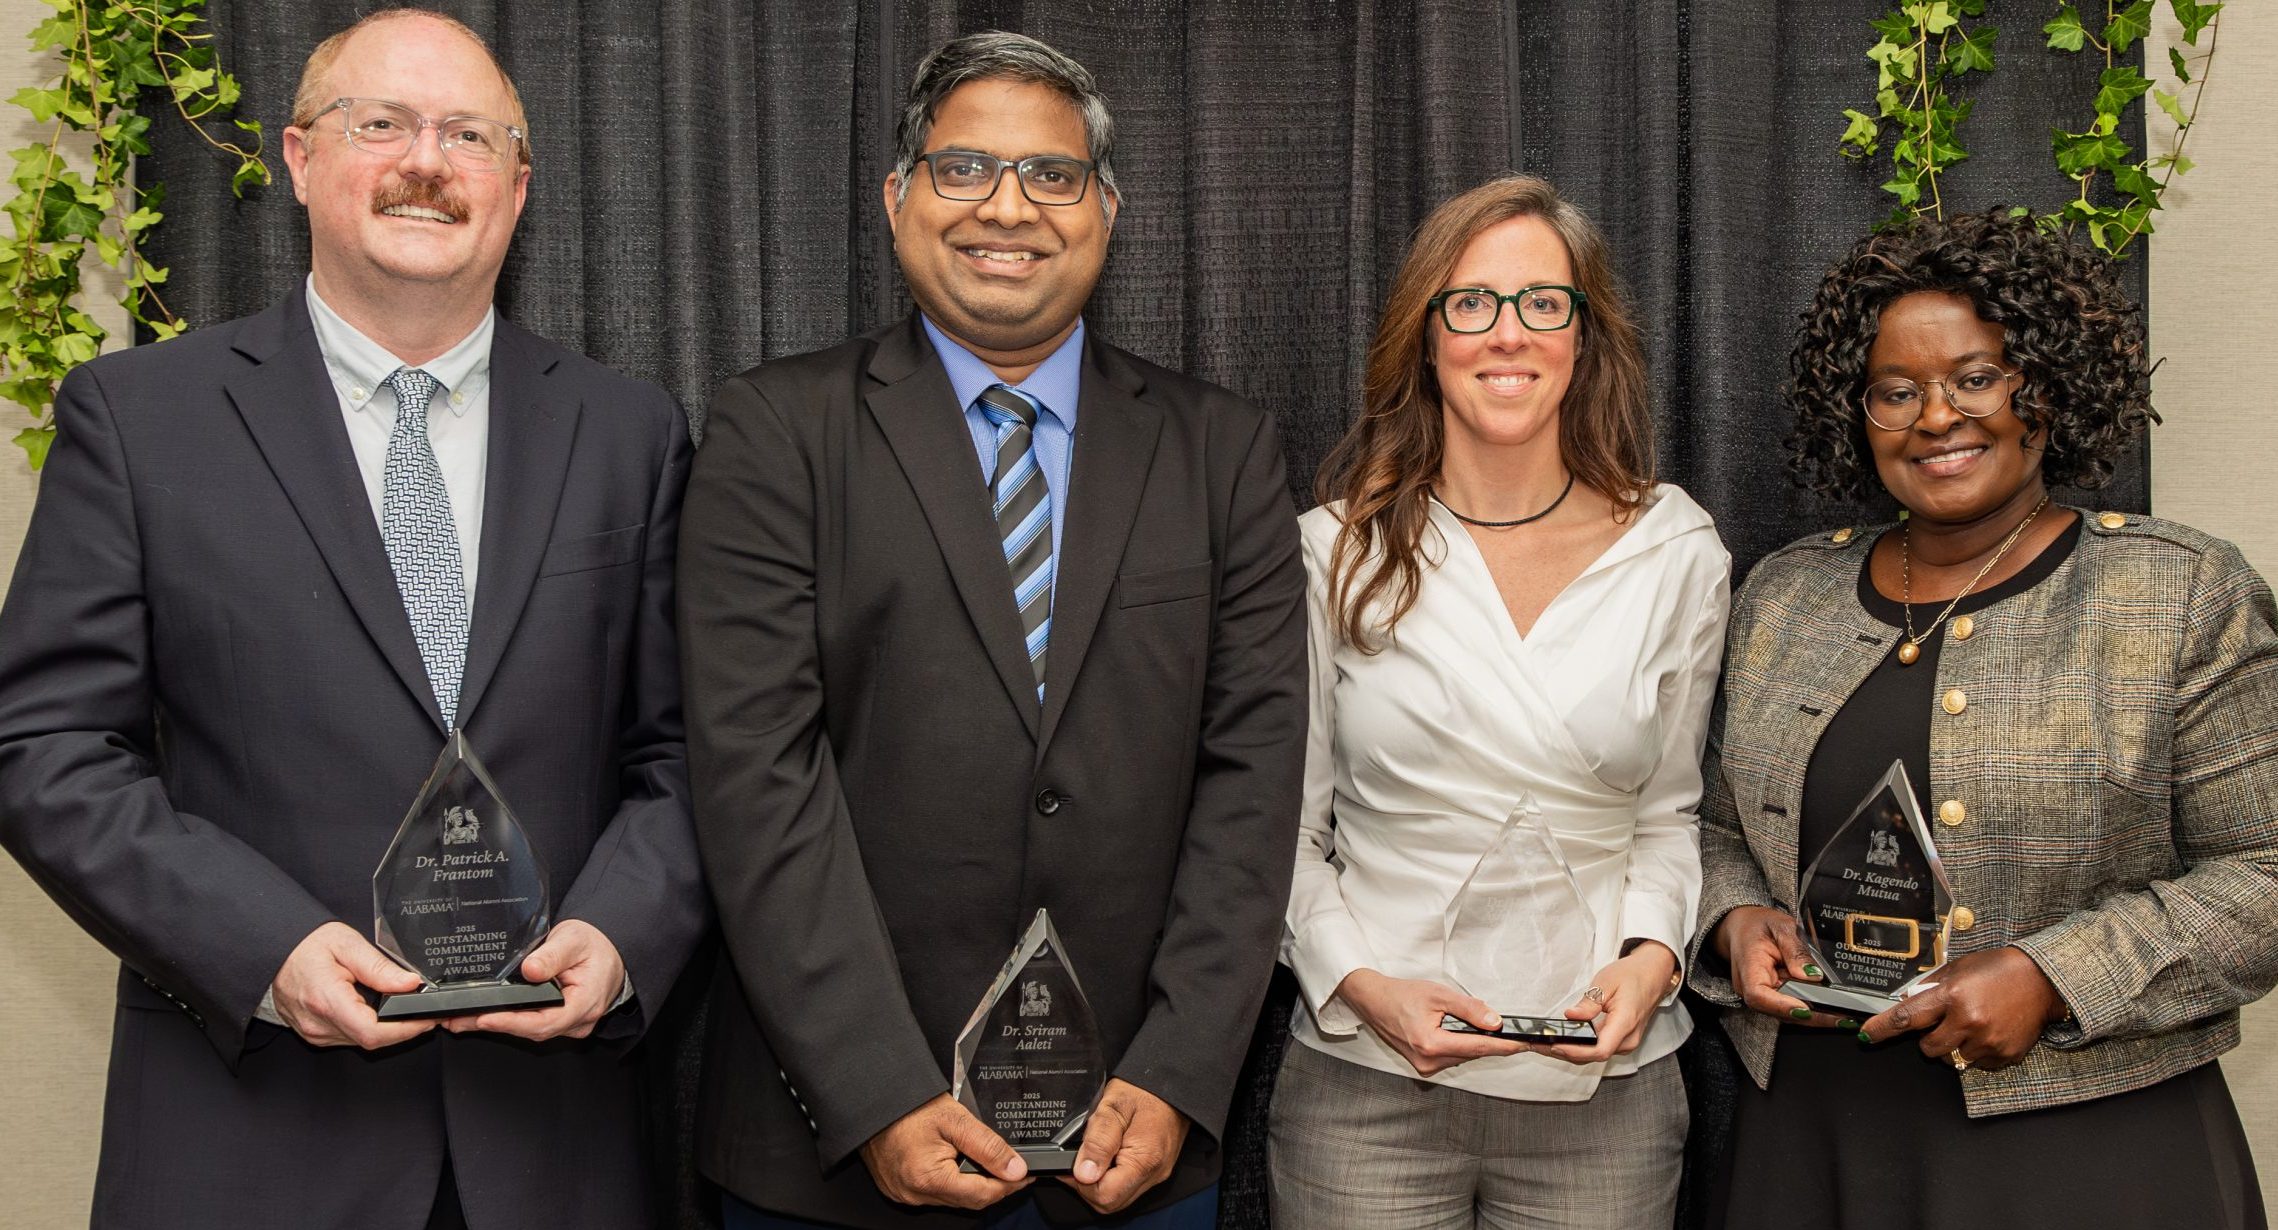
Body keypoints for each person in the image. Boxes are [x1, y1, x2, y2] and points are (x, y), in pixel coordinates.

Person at [0, 11, 705, 1229]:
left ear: (519, 182)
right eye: (379, 123)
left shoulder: (630, 435)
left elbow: (691, 749)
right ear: (298, 157)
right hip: (249, 1139)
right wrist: (262, 947)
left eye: (469, 134)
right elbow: (44, 749)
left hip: (557, 1153)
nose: (425, 160)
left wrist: (621, 933)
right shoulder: (140, 418)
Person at [678, 30, 1307, 1230]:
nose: (1006, 207)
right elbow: (757, 779)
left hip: (1132, 1147)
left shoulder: (1222, 452)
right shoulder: (774, 432)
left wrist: (1177, 1071)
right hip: (837, 1153)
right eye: (963, 169)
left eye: (1052, 176)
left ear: (1106, 210)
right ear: (897, 198)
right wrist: (874, 1091)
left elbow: (1253, 779)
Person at [1692, 209, 2275, 1229]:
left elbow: (2265, 873)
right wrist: (1733, 919)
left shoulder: (2178, 593)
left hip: (2092, 1150)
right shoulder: (1785, 597)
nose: (1936, 417)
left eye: (1975, 376)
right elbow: (1705, 826)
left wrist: (2053, 974)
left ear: (2043, 386)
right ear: (1854, 413)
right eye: (1895, 391)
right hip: (1820, 1144)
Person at [1271, 174, 1730, 1229]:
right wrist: (1359, 989)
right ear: (1425, 337)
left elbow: (1668, 814)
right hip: (1364, 1090)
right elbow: (1283, 834)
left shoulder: (1675, 549)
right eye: (1470, 303)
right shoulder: (1331, 551)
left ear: (1584, 336)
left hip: (1602, 1096)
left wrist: (1655, 959)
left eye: (1542, 302)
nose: (1506, 334)